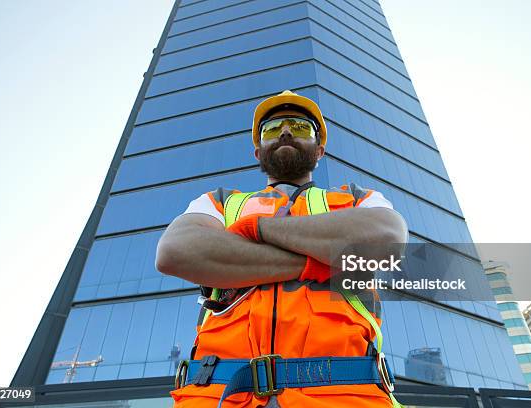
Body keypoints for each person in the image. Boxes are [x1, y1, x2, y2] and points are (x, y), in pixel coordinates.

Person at [156, 90, 408, 407]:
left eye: (300, 127)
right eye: (273, 129)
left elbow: (389, 241)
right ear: (258, 152)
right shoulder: (221, 201)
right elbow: (175, 251)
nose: (286, 132)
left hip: (345, 395)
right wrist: (323, 260)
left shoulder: (356, 198)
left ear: (320, 150)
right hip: (218, 394)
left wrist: (253, 230)